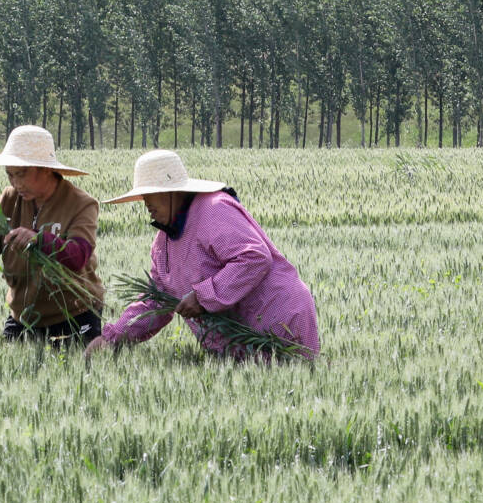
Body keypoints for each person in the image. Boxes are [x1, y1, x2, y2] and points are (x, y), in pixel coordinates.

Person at [93, 150, 318, 360]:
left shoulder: (213, 209)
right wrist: (113, 338)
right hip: (239, 339)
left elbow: (254, 258)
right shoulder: (164, 244)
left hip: (276, 322)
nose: (146, 203)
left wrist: (202, 297)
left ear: (173, 191)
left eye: (150, 194)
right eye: (143, 196)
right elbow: (157, 299)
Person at [0, 125, 104, 346]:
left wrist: (39, 239)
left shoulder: (81, 204)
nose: (15, 183)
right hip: (24, 316)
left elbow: (78, 255)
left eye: (21, 174)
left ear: (45, 169)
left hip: (75, 314)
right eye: (10, 175)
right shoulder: (8, 199)